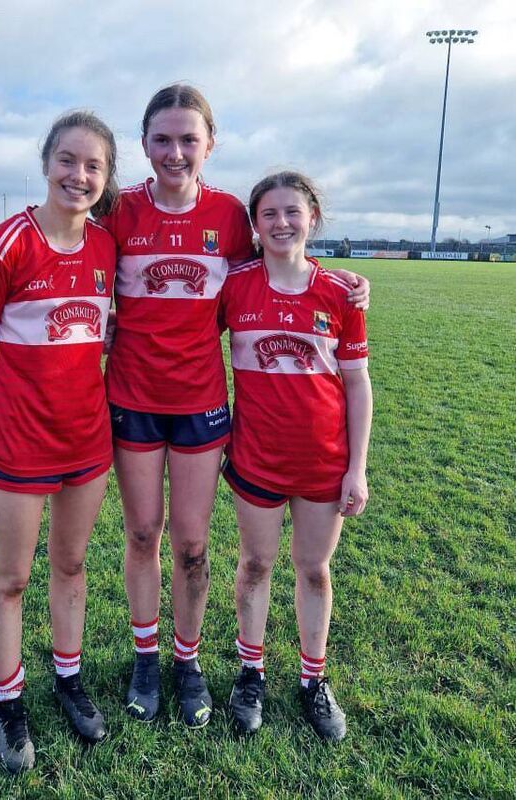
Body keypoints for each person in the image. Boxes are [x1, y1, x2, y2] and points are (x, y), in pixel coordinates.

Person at [99, 85, 371, 728]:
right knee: (142, 535)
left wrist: (346, 282)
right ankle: (146, 657)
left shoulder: (226, 216)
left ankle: (187, 663)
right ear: (143, 145)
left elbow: (288, 266)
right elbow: (67, 227)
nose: (175, 152)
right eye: (162, 139)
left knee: (193, 546)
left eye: (189, 139)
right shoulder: (119, 210)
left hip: (200, 406)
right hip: (132, 399)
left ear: (210, 145)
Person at [0, 111, 118, 771]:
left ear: (104, 179)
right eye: (68, 161)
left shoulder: (108, 246)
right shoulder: (7, 244)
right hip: (18, 439)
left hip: (86, 440)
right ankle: (8, 700)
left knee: (72, 566)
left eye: (93, 166)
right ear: (46, 162)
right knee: (13, 577)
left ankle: (69, 679)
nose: (78, 176)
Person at [219, 171, 372, 739]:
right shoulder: (235, 286)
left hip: (323, 463)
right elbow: (182, 335)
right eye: (269, 214)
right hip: (256, 457)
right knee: (255, 565)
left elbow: (357, 384)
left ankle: (313, 678)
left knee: (313, 569)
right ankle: (250, 671)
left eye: (293, 212)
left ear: (313, 218)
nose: (282, 223)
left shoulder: (339, 293)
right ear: (255, 226)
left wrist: (356, 468)